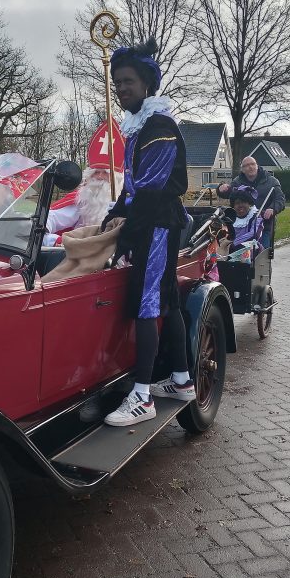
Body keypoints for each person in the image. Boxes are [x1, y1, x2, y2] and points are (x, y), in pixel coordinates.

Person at [99, 39, 191, 427]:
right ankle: (182, 380)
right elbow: (134, 187)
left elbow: (151, 192)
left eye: (129, 81)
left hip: (157, 225)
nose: (122, 88)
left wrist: (123, 238)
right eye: (117, 82)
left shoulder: (158, 126)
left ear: (147, 84)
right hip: (152, 220)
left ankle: (142, 396)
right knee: (167, 300)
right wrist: (114, 213)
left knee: (146, 303)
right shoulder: (139, 126)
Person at [44, 120, 125, 246]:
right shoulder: (82, 199)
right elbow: (51, 217)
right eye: (96, 172)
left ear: (117, 178)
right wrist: (54, 240)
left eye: (105, 173)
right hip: (82, 252)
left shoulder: (128, 203)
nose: (99, 177)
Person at [218, 156, 285, 249]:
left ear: (257, 166)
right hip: (242, 225)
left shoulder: (271, 181)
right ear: (242, 169)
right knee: (235, 250)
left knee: (262, 251)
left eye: (253, 164)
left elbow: (280, 199)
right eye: (246, 165)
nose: (250, 167)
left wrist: (273, 209)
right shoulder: (237, 181)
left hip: (265, 224)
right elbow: (229, 194)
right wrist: (221, 189)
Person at [227, 185, 264, 253]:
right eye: (237, 203)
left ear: (249, 203)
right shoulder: (230, 218)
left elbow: (254, 234)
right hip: (230, 248)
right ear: (233, 206)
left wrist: (234, 244)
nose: (240, 205)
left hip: (251, 248)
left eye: (244, 202)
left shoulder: (255, 216)